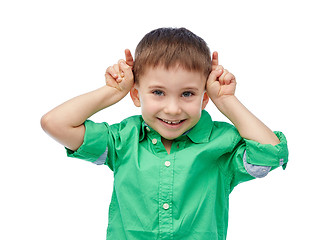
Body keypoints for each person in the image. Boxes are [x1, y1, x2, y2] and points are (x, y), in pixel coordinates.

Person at [41, 27, 288, 240]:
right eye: (158, 92)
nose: (172, 108)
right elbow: (55, 123)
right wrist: (112, 92)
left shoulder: (222, 144)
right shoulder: (123, 139)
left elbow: (270, 153)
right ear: (137, 95)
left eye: (188, 93)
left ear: (204, 98)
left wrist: (226, 100)